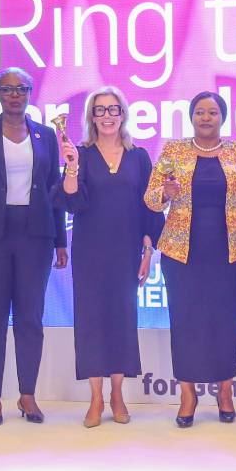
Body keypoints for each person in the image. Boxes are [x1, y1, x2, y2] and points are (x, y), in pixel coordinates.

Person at [144, 91, 236, 427]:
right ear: (191, 117)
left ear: (222, 116)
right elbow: (151, 200)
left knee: (225, 322)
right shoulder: (173, 151)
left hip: (231, 254)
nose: (206, 117)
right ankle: (187, 395)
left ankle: (224, 391)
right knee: (185, 323)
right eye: (200, 112)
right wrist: (163, 194)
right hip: (182, 254)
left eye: (212, 112)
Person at [0, 67, 68, 426]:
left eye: (21, 89)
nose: (14, 95)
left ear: (30, 93)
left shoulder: (46, 135)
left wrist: (60, 241)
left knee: (30, 319)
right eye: (7, 89)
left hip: (35, 236)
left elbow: (54, 189)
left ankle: (27, 395)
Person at [52, 86, 163, 428]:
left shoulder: (139, 156)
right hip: (90, 251)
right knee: (91, 322)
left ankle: (117, 394)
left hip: (127, 251)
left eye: (113, 109)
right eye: (100, 110)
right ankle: (96, 397)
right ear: (91, 117)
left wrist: (147, 253)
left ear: (123, 113)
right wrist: (70, 168)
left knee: (122, 321)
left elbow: (151, 209)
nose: (107, 116)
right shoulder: (81, 154)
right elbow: (72, 202)